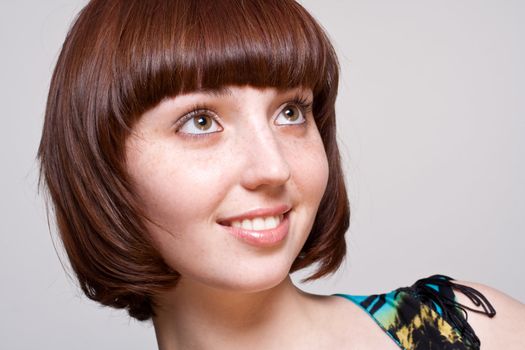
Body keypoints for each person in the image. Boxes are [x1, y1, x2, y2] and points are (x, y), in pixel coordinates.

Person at [37, 0, 525, 349]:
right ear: (102, 166)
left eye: (291, 112)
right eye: (201, 121)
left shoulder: (473, 332)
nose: (273, 167)